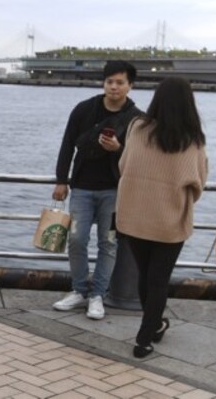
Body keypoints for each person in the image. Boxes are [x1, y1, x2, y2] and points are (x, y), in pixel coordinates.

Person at [116, 77, 207, 358]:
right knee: (159, 279)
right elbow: (198, 182)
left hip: (133, 216)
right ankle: (145, 337)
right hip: (169, 220)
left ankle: (154, 326)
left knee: (146, 275)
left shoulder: (137, 128)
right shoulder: (192, 141)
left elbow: (123, 165)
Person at [51, 60, 142, 319]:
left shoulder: (137, 119)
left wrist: (119, 149)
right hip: (81, 187)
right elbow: (67, 145)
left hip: (115, 190)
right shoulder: (84, 110)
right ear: (103, 83)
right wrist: (61, 180)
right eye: (109, 81)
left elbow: (140, 157)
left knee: (109, 243)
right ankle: (79, 290)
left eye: (120, 82)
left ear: (130, 86)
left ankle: (97, 295)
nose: (114, 87)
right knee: (77, 240)